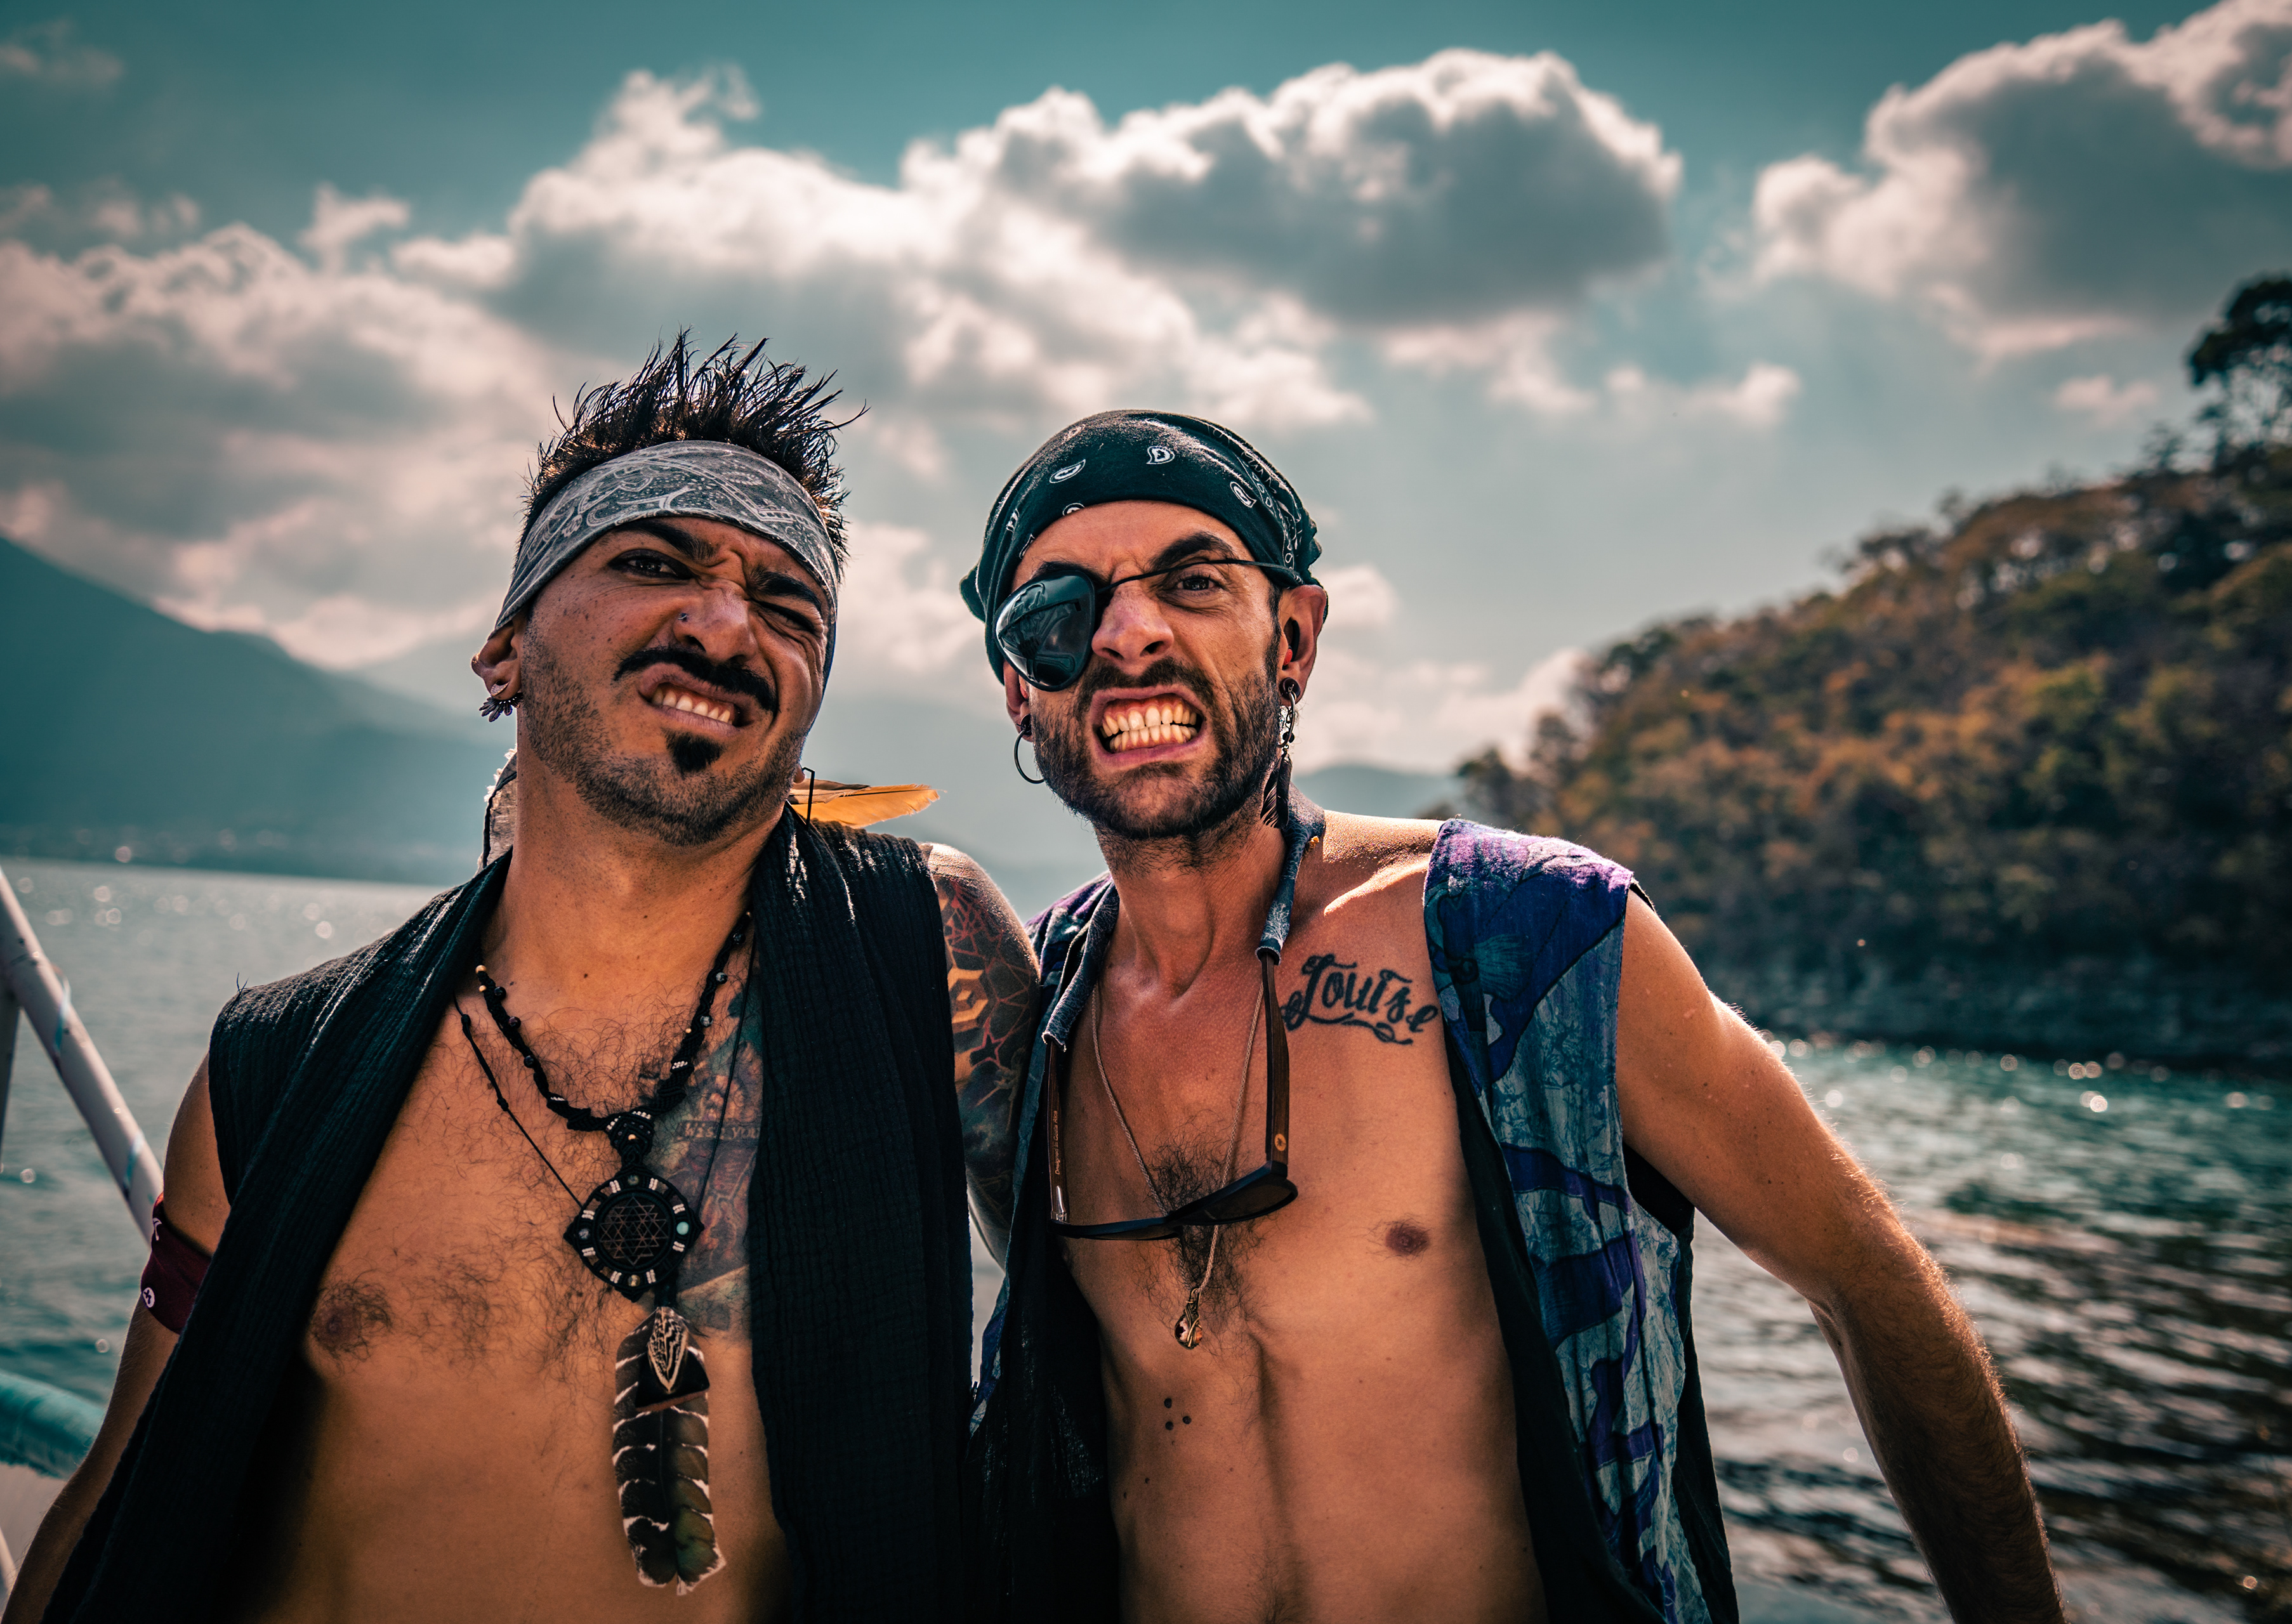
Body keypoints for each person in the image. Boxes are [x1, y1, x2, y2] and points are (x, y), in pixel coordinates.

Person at [956, 410, 2066, 1623]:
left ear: (1293, 638)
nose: (1128, 634)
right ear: (1018, 686)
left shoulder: (1526, 935)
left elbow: (1867, 1280)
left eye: (1193, 581)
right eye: (1060, 609)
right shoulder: (1029, 1009)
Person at [7, 338, 1040, 1624]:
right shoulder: (274, 1071)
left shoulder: (925, 951)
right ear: (504, 651)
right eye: (653, 563)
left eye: (789, 604)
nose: (728, 623)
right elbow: (121, 1495)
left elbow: (1129, 1340)